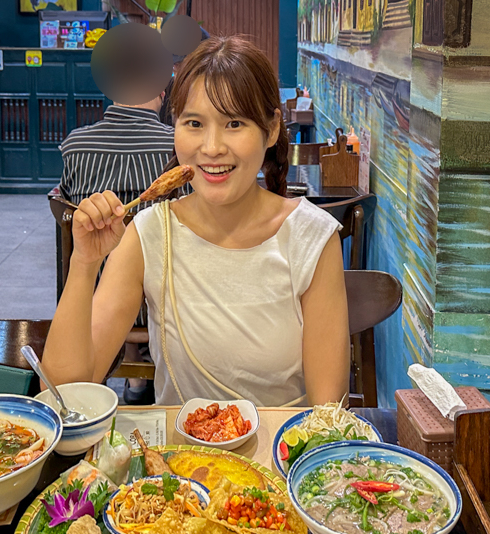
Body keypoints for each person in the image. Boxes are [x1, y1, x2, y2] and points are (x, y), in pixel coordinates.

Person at [42, 36, 349, 407]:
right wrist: (84, 264)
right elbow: (62, 396)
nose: (212, 147)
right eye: (194, 123)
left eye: (234, 123)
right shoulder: (150, 232)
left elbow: (326, 412)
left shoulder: (311, 237)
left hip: (280, 456)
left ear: (270, 130)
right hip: (177, 458)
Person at [57, 90, 176, 404]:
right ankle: (142, 374)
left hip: (93, 300)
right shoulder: (175, 146)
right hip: (163, 301)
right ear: (161, 92)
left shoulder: (75, 145)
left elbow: (66, 203)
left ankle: (135, 382)